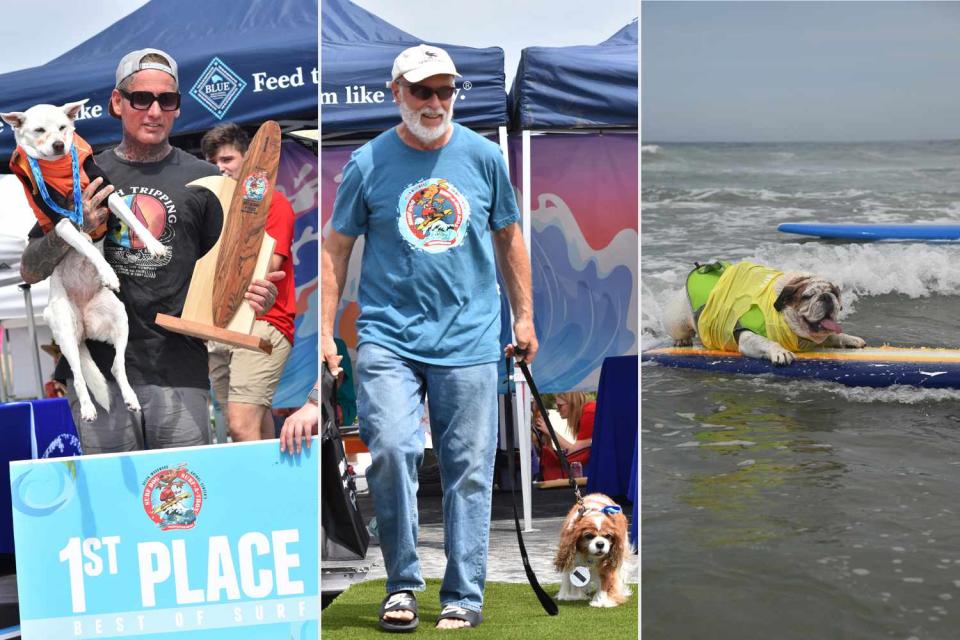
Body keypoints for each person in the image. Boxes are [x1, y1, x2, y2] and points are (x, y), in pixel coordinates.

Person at [323, 44, 537, 631]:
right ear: (397, 92)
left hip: (469, 335)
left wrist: (524, 317)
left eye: (446, 90)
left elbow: (510, 239)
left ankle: (464, 595)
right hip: (389, 336)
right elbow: (337, 250)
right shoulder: (367, 163)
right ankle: (402, 585)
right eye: (423, 90)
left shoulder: (486, 157)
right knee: (391, 449)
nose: (436, 101)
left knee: (469, 467)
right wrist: (323, 331)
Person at [19, 48, 282, 453]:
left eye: (167, 100)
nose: (154, 110)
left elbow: (231, 269)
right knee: (114, 512)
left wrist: (254, 297)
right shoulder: (81, 172)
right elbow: (31, 268)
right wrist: (77, 229)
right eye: (141, 98)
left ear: (178, 108)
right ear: (117, 102)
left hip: (179, 370)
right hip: (100, 372)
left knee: (183, 508)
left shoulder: (207, 179)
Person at [201, 123, 296, 442]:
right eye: (215, 162)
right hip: (220, 326)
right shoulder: (215, 208)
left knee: (241, 427)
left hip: (263, 321)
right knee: (248, 425)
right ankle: (275, 490)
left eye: (227, 159)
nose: (220, 168)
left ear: (249, 158)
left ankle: (259, 492)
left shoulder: (273, 202)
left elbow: (270, 266)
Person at [535, 392, 596, 481]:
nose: (558, 410)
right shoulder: (587, 411)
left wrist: (550, 431)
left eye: (560, 406)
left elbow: (575, 453)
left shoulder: (590, 412)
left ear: (572, 403)